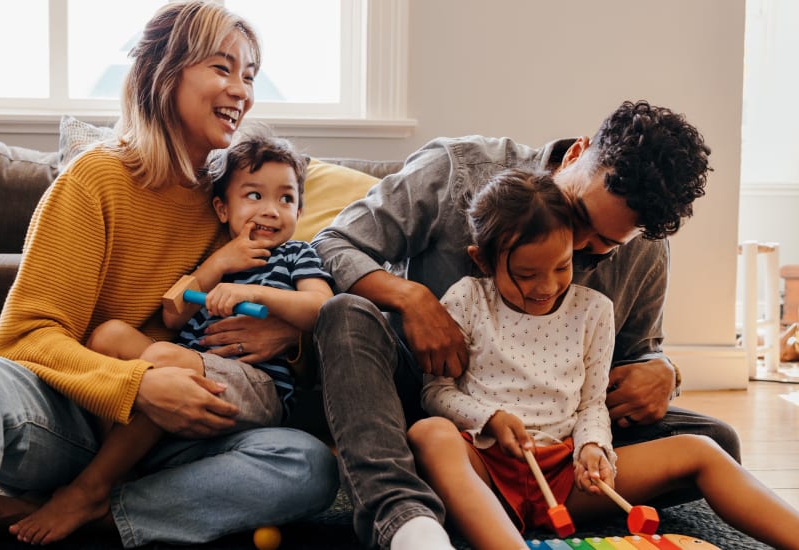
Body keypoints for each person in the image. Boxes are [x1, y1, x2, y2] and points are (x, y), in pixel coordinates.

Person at [0, 3, 338, 549]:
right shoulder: (95, 178)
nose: (241, 90)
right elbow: (23, 338)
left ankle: (86, 509)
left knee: (306, 465)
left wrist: (290, 337)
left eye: (250, 76)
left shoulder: (231, 200)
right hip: (74, 421)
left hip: (180, 435)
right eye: (222, 68)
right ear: (164, 73)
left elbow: (290, 306)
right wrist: (137, 387)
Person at [311, 100, 733, 550]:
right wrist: (412, 299)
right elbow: (333, 242)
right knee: (345, 316)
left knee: (716, 441)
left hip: (549, 434)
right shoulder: (457, 169)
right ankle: (403, 518)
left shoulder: (645, 251)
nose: (576, 246)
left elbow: (636, 353)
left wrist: (663, 372)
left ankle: (493, 495)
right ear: (577, 154)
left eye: (603, 245)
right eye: (579, 217)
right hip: (414, 398)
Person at [407, 168, 799, 550]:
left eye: (561, 266)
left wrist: (592, 447)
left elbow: (592, 404)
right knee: (429, 434)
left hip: (564, 475)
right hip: (486, 469)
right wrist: (488, 418)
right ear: (483, 261)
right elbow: (436, 393)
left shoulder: (593, 310)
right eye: (526, 274)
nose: (546, 287)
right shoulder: (467, 299)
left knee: (703, 449)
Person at [9, 128, 334, 545]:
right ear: (222, 207)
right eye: (254, 196)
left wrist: (253, 291)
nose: (271, 210)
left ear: (299, 210)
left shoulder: (296, 255)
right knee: (110, 335)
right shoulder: (215, 255)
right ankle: (124, 471)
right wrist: (217, 265)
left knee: (167, 359)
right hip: (183, 377)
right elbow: (173, 312)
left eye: (286, 199)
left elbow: (320, 308)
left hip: (254, 384)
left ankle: (92, 489)